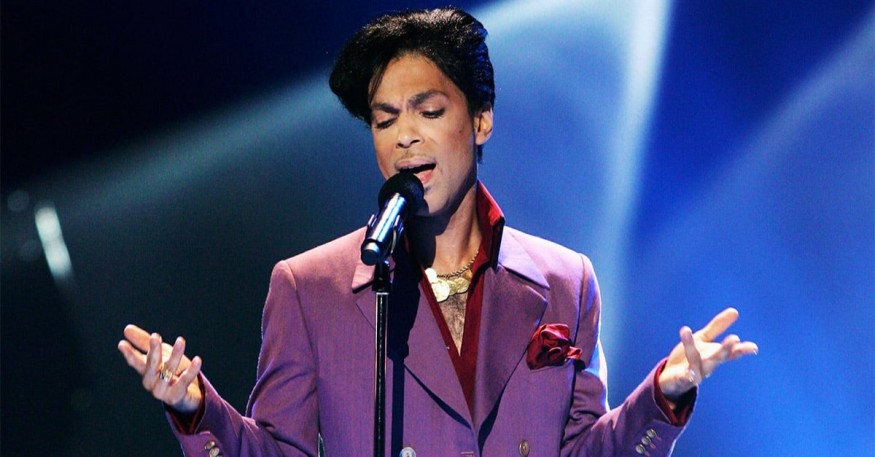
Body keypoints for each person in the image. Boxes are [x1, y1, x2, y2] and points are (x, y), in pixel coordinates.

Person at [118, 7, 758, 456]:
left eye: (428, 111)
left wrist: (662, 397)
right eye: (384, 120)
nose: (405, 136)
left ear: (480, 121)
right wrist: (196, 410)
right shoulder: (309, 287)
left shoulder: (567, 281)